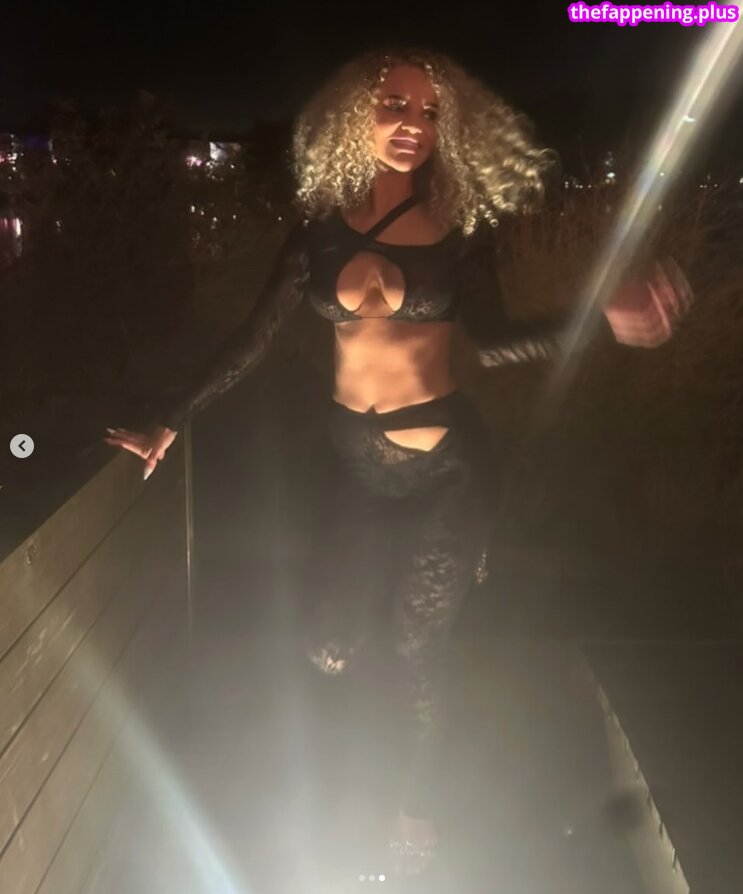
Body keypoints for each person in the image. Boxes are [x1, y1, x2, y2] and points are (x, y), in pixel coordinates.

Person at [104, 46, 689, 877]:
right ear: (355, 115)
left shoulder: (459, 230)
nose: (413, 124)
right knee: (330, 644)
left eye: (428, 112)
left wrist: (597, 320)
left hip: (445, 471)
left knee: (414, 646)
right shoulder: (318, 229)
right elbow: (252, 338)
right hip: (356, 468)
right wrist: (170, 419)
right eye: (394, 105)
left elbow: (492, 342)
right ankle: (360, 751)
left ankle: (412, 808)